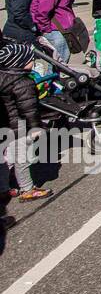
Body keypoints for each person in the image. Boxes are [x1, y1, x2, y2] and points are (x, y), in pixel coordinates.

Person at [0, 37, 51, 201]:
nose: (33, 62)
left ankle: (4, 189)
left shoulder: (3, 78)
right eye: (31, 60)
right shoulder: (23, 83)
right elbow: (29, 110)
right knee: (22, 159)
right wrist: (36, 128)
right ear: (18, 63)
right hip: (20, 128)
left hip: (5, 125)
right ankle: (27, 189)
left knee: (6, 159)